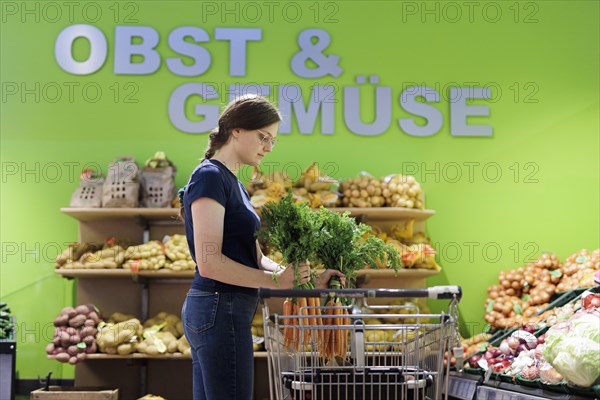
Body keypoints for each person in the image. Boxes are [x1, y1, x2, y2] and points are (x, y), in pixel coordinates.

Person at [179, 95, 345, 400]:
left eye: (273, 141)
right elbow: (210, 262)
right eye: (263, 137)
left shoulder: (235, 184)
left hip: (226, 309)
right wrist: (276, 282)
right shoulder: (209, 177)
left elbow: (258, 257)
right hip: (218, 306)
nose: (268, 147)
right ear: (236, 130)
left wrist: (302, 281)